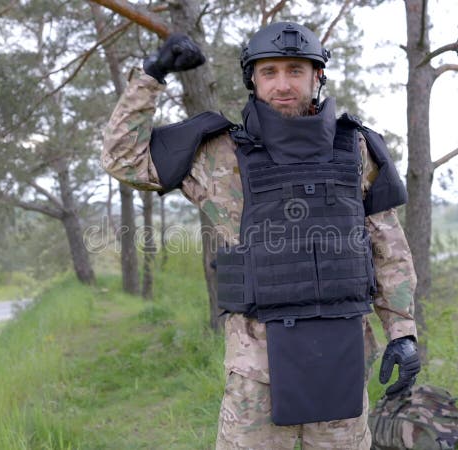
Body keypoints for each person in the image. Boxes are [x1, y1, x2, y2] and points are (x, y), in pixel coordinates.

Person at [102, 22, 420, 449]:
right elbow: (124, 159)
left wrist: (402, 332)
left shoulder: (357, 149)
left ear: (317, 76)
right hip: (257, 375)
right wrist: (152, 75)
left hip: (341, 362)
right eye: (269, 72)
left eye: (295, 70)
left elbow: (388, 248)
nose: (283, 84)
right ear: (253, 78)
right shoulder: (216, 152)